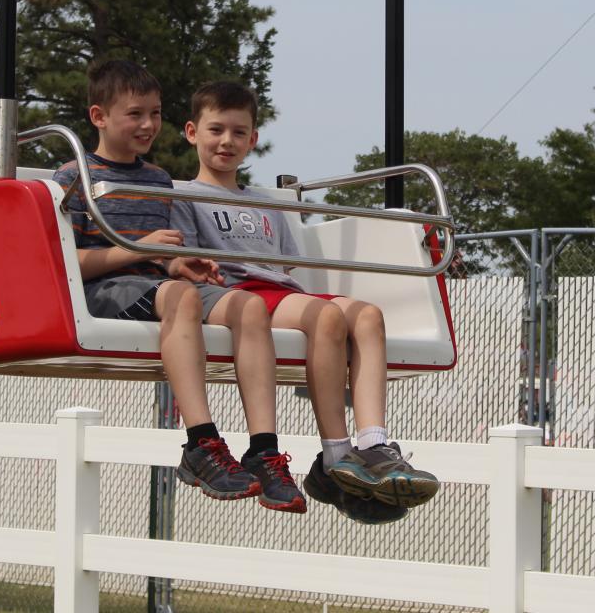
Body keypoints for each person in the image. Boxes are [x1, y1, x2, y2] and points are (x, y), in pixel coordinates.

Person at [170, 80, 440, 523]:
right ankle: (336, 455)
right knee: (327, 316)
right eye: (216, 130)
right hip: (239, 294)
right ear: (192, 132)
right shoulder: (184, 195)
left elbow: (286, 267)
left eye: (239, 133)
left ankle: (373, 443)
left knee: (369, 315)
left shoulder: (265, 203)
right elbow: (187, 261)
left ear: (253, 139)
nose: (227, 142)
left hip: (280, 292)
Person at [53, 60, 305, 512]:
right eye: (135, 114)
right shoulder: (74, 179)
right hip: (104, 290)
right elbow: (65, 264)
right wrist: (139, 249)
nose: (148, 124)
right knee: (181, 298)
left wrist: (178, 261)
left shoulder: (157, 180)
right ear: (99, 117)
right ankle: (201, 442)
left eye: (155, 113)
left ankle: (265, 448)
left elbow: (160, 257)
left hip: (160, 287)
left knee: (247, 305)